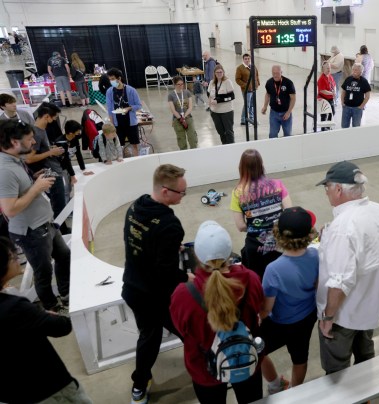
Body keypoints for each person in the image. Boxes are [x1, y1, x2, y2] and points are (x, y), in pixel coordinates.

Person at [315, 161, 379, 374]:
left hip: (345, 315)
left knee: (337, 369)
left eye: (327, 188)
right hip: (370, 307)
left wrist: (328, 318)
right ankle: (365, 395)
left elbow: (340, 282)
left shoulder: (344, 228)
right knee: (365, 354)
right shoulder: (378, 211)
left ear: (339, 190)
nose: (326, 193)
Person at [122, 164, 194, 403]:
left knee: (150, 336)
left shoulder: (135, 207)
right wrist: (188, 278)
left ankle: (140, 384)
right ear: (165, 191)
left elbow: (140, 243)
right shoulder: (170, 225)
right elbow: (167, 273)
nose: (183, 196)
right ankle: (140, 384)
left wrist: (171, 248)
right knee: (187, 333)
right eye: (181, 192)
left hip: (132, 287)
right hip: (156, 295)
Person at [170, 220, 264, 404]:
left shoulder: (183, 294)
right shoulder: (251, 280)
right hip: (247, 362)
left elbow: (182, 330)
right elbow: (259, 314)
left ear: (196, 255)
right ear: (230, 254)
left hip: (205, 371)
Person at [0, 237, 93, 404]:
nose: (16, 258)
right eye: (11, 256)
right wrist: (44, 315)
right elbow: (61, 327)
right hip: (46, 388)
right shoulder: (14, 307)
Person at [0, 119, 70, 314]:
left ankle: (65, 293)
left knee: (64, 256)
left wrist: (34, 180)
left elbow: (21, 191)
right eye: (30, 139)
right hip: (31, 232)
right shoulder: (5, 170)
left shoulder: (15, 160)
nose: (33, 143)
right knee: (43, 273)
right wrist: (36, 188)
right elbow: (10, 210)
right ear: (15, 142)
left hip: (45, 224)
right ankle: (51, 307)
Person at [259, 207, 319, 393]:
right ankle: (295, 391)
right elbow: (317, 285)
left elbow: (267, 309)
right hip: (307, 317)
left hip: (280, 322)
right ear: (309, 235)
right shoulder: (317, 256)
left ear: (279, 234)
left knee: (258, 351)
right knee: (300, 358)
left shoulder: (273, 269)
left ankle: (275, 384)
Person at [230, 149, 293, 279]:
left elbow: (241, 226)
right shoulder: (278, 184)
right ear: (261, 165)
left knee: (258, 281)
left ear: (241, 168)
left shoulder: (237, 193)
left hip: (255, 247)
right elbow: (289, 213)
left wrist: (258, 226)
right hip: (281, 244)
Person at [26, 102, 69, 233]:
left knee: (59, 203)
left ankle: (62, 228)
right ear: (46, 116)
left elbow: (40, 151)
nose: (54, 120)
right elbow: (29, 158)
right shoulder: (36, 133)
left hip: (53, 170)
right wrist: (50, 152)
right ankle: (61, 230)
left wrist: (50, 149)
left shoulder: (41, 130)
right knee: (59, 204)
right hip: (50, 173)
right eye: (54, 117)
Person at [105, 68, 142, 157]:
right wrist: (112, 124)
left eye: (113, 79)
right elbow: (110, 109)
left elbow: (139, 105)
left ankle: (137, 160)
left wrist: (129, 108)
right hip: (118, 123)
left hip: (131, 123)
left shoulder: (131, 90)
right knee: (118, 145)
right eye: (110, 79)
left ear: (119, 78)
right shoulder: (110, 91)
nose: (111, 81)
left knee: (134, 144)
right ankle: (121, 161)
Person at [262, 65, 296, 138]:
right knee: (272, 135)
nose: (275, 75)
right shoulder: (269, 82)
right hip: (274, 113)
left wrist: (288, 112)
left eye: (277, 73)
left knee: (288, 135)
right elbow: (268, 94)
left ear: (281, 72)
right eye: (273, 73)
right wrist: (265, 106)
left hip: (286, 114)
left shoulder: (288, 83)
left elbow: (293, 98)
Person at [168, 75, 198, 150]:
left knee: (192, 137)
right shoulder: (171, 95)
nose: (181, 86)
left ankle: (194, 152)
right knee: (181, 139)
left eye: (182, 84)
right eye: (179, 84)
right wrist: (180, 119)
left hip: (187, 117)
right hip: (177, 119)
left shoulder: (187, 92)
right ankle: (184, 153)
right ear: (174, 85)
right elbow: (173, 110)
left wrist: (184, 116)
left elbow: (190, 107)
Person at [208, 64, 236, 144]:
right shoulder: (212, 82)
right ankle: (224, 147)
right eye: (217, 72)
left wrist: (219, 100)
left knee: (228, 132)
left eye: (221, 72)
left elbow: (231, 96)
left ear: (223, 72)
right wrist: (210, 105)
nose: (219, 74)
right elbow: (209, 94)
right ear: (214, 73)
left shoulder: (227, 82)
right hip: (215, 112)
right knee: (221, 132)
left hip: (226, 112)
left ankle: (231, 147)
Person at [341, 63, 371, 129]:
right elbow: (343, 91)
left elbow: (367, 96)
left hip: (357, 108)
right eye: (353, 69)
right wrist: (342, 102)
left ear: (361, 72)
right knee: (344, 126)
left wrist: (361, 106)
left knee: (356, 127)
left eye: (356, 70)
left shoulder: (364, 81)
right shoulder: (348, 79)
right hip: (346, 107)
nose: (354, 71)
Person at [235, 53, 260, 126]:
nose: (247, 60)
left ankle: (251, 118)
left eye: (248, 59)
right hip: (246, 90)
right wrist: (246, 86)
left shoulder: (253, 66)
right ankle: (243, 119)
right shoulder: (240, 68)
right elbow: (237, 79)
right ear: (243, 59)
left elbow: (256, 75)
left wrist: (257, 83)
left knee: (252, 104)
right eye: (245, 59)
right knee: (247, 105)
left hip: (254, 89)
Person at [317, 61, 336, 130]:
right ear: (323, 69)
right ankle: (323, 128)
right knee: (324, 114)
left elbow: (333, 85)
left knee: (332, 112)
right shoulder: (321, 79)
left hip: (330, 98)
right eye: (327, 68)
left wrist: (334, 91)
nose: (329, 70)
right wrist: (332, 93)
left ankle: (328, 126)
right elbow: (322, 90)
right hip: (323, 99)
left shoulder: (330, 76)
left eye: (330, 68)